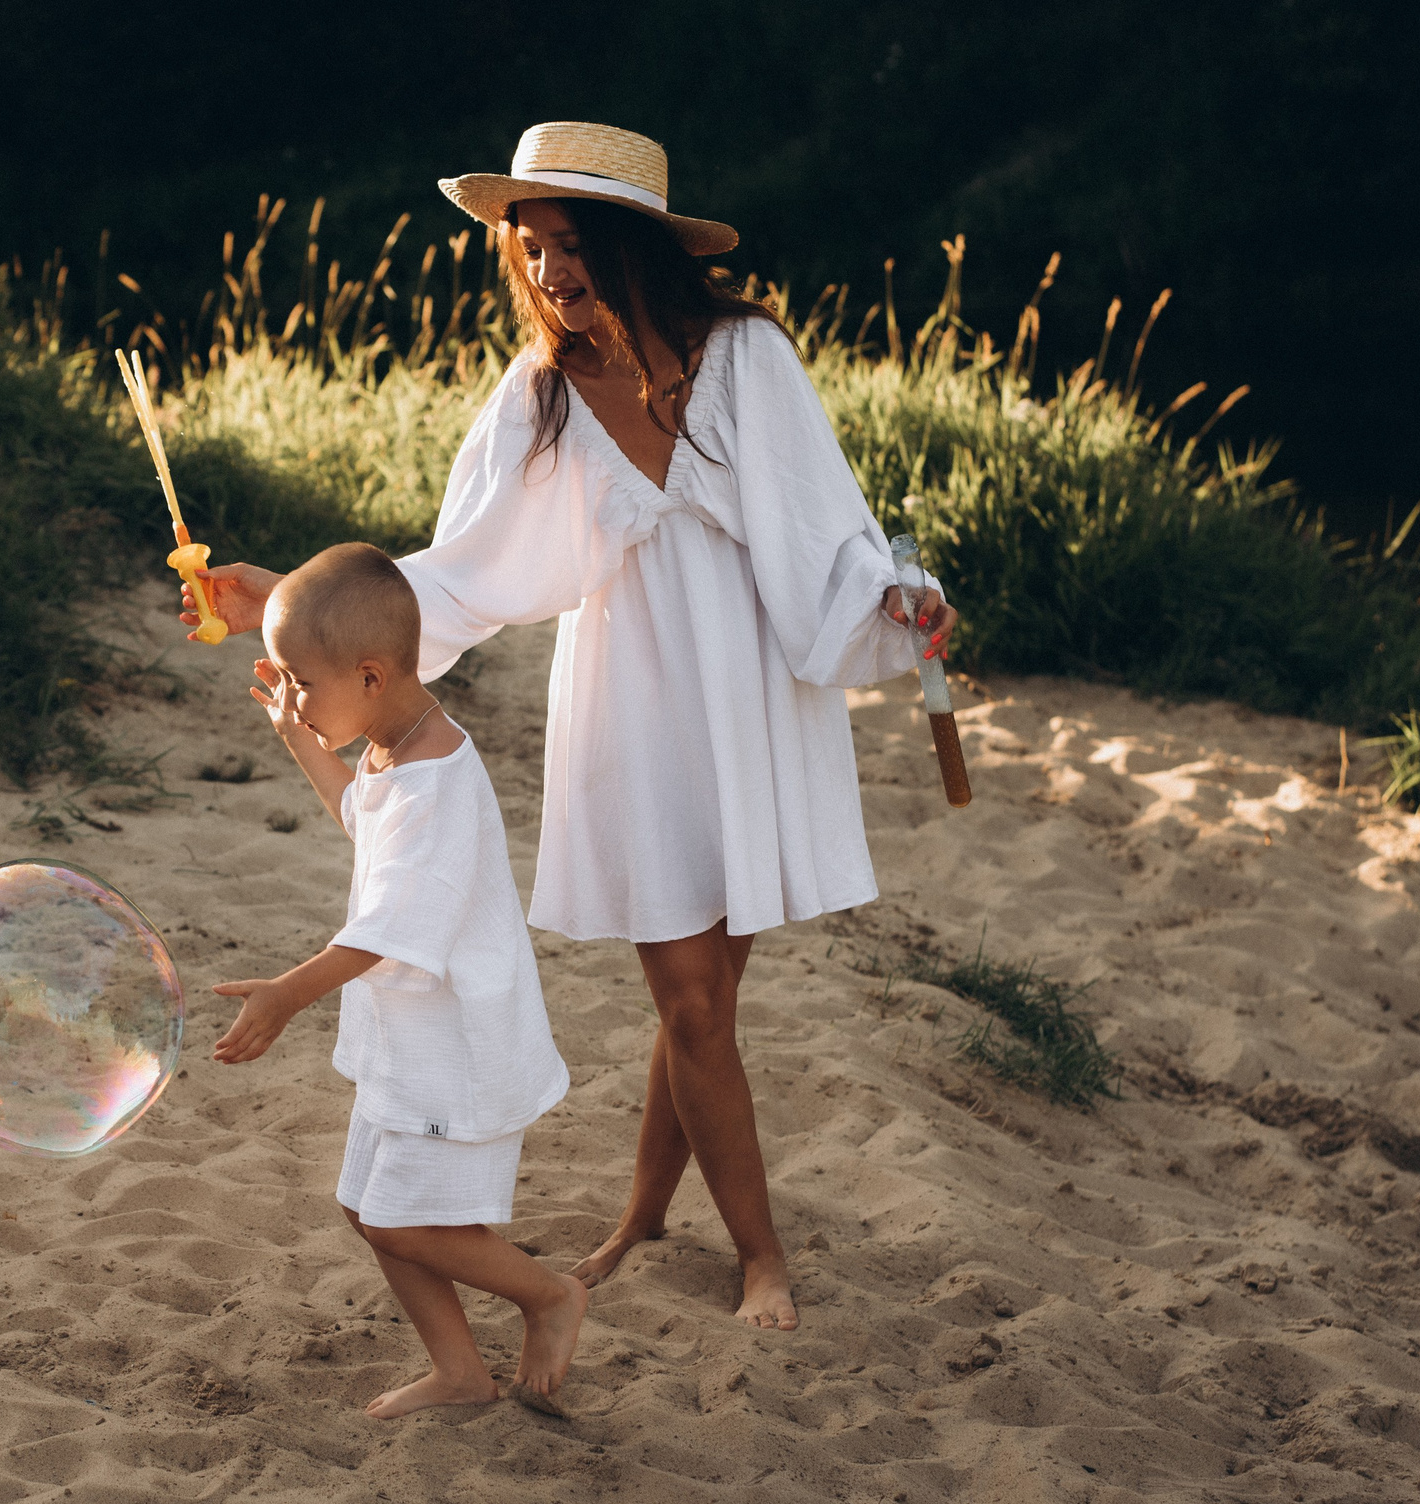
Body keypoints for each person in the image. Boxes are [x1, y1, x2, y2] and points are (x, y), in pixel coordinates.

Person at [187, 123, 960, 1333]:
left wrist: (895, 602)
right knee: (691, 1000)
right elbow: (457, 572)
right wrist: (286, 595)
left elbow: (830, 531)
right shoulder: (540, 398)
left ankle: (643, 1216)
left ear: (633, 244)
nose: (549, 271)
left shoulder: (748, 356)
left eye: (571, 242)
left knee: (703, 1003)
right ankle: (761, 1256)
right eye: (531, 247)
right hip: (632, 705)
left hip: (754, 695)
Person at [209, 542, 587, 1418]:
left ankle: (550, 1295)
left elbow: (389, 928)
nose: (291, 692)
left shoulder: (434, 787)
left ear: (371, 675)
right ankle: (460, 1371)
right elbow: (362, 818)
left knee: (401, 1218)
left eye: (302, 682)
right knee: (365, 1204)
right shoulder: (394, 749)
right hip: (410, 1041)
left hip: (456, 1047)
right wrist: (299, 736)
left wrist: (287, 993)